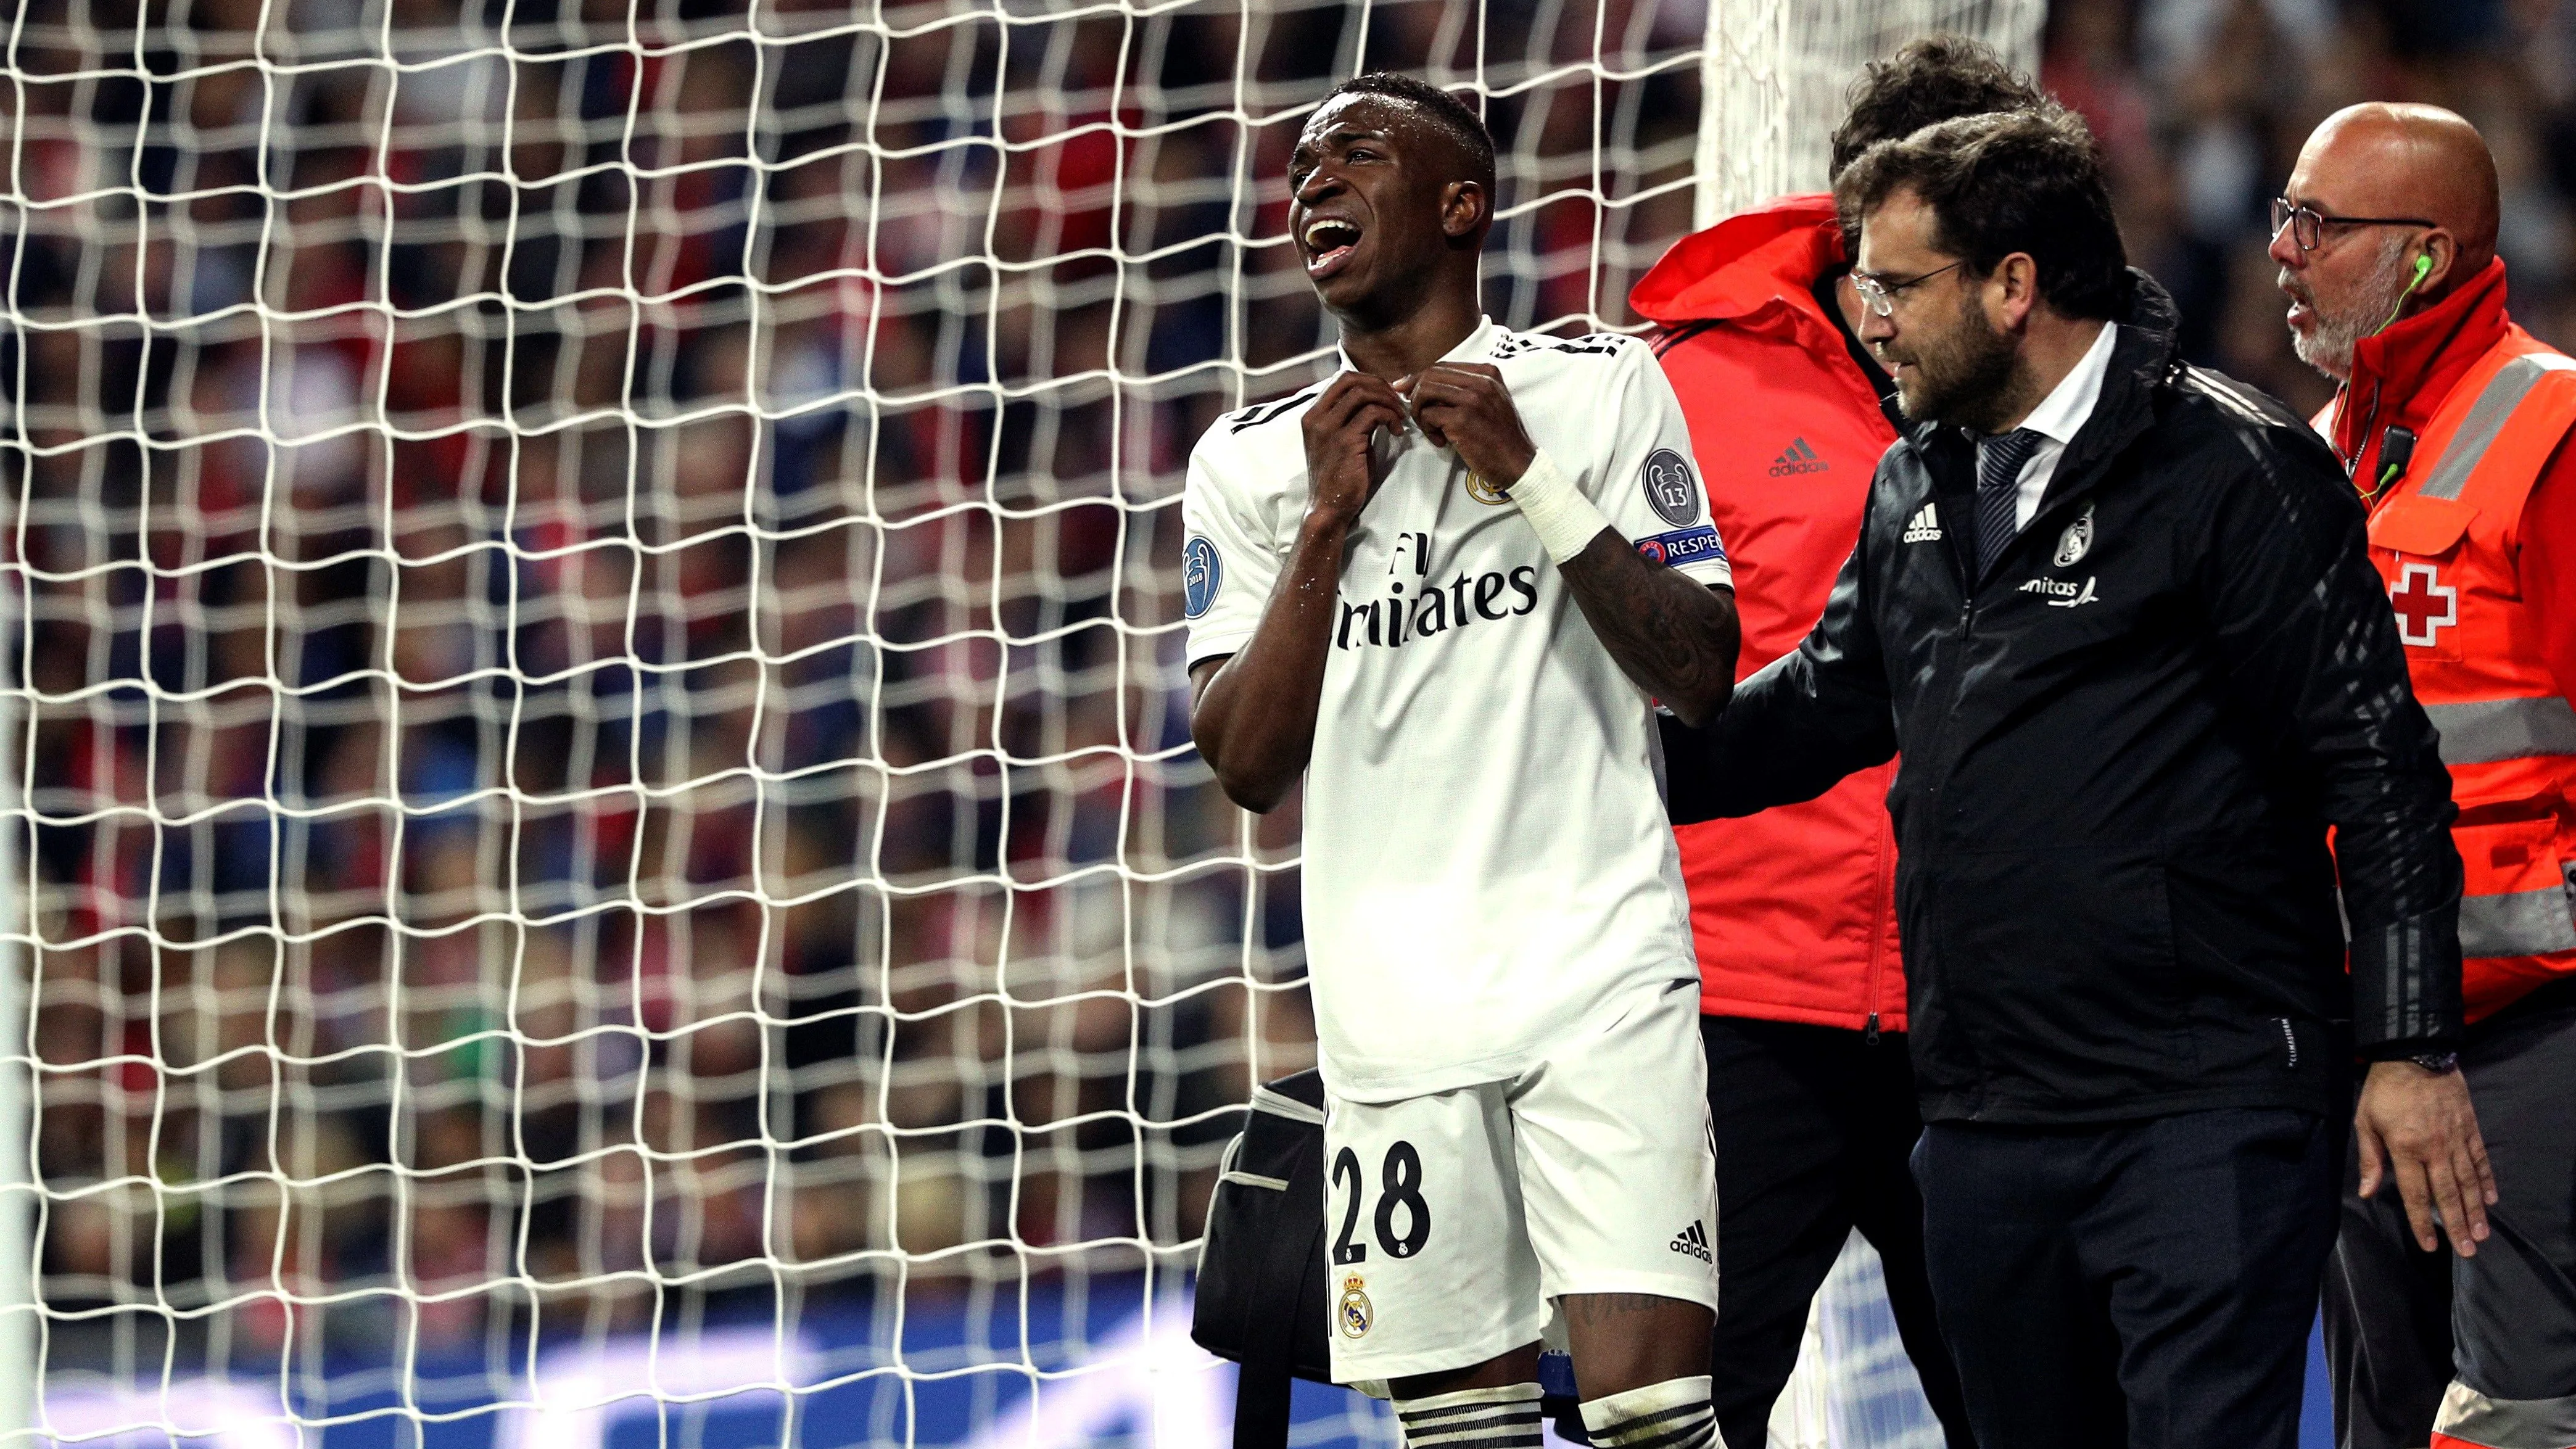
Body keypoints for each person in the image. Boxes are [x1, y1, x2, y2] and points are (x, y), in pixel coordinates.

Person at [1660, 105, 2490, 1449]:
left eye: (1897, 285)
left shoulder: (2235, 469)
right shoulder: (1912, 485)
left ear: (2013, 286)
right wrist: (1608, 774)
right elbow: (1823, 702)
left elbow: (2380, 772)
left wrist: (2406, 1047)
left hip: (2204, 1106)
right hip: (1986, 1118)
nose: (1867, 318)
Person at [1181, 72, 1741, 1449]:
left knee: (1657, 1417)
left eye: (1356, 155)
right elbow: (1248, 766)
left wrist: (1529, 475)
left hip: (1600, 983)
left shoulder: (1601, 386)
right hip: (1394, 1020)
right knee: (1464, 1438)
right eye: (1301, 168)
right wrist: (1324, 526)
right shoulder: (1252, 461)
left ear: (1460, 203)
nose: (1314, 183)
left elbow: (1700, 669)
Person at [1629, 36, 2043, 1447]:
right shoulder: (1678, 386)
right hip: (1739, 1000)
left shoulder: (2079, 390)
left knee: (2030, 1410)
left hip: (1983, 1008)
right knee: (1674, 1414)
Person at [2272, 102, 2576, 1449]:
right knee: (2388, 1410)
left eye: (2318, 225)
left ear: (2425, 256)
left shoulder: (2551, 430)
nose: (2282, 252)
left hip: (2536, 1034)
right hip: (2362, 1029)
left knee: (2516, 1415)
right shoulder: (2318, 442)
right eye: (2284, 214)